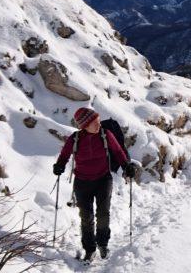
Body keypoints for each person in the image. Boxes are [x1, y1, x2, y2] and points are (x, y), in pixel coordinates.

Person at [53, 107, 138, 261]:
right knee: (86, 217)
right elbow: (65, 154)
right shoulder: (75, 138)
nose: (98, 125)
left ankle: (103, 244)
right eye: (94, 123)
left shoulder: (106, 135)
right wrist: (59, 165)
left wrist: (127, 166)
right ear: (84, 125)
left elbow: (118, 152)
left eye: (98, 121)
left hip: (103, 179)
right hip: (82, 182)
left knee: (103, 214)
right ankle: (90, 248)